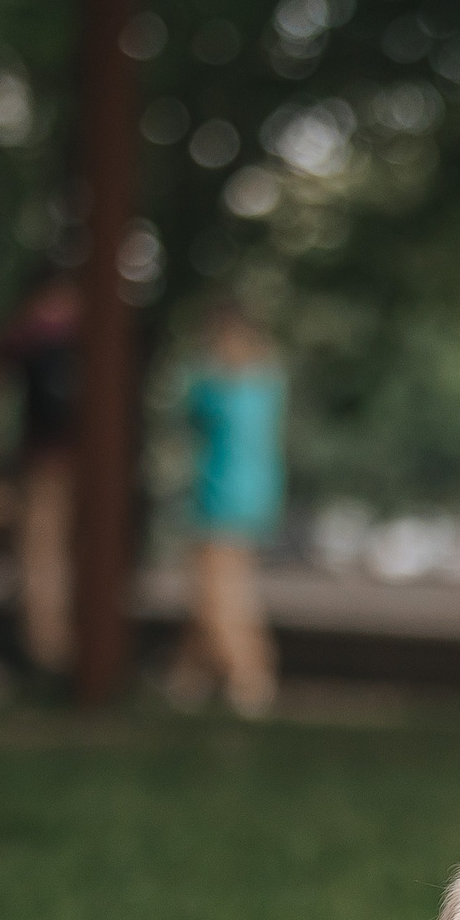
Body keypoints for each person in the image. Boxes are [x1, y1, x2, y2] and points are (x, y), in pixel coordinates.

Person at [166, 300, 286, 719]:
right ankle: (188, 679)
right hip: (255, 497)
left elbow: (187, 411)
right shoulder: (269, 383)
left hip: (218, 499)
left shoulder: (213, 388)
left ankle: (249, 678)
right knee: (214, 590)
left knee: (221, 595)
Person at [0, 272, 82, 680]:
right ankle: (54, 650)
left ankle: (49, 653)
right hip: (67, 464)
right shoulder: (80, 338)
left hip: (46, 464)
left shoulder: (31, 337)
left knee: (41, 559)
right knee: (51, 558)